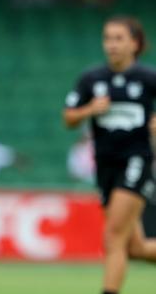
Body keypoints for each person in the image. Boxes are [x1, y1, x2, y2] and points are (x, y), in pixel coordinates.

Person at [63, 16, 156, 294]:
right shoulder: (92, 79)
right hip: (104, 165)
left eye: (118, 38)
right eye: (107, 38)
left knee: (113, 236)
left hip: (136, 161)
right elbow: (68, 118)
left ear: (134, 44)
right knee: (133, 247)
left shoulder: (148, 78)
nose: (111, 45)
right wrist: (89, 110)